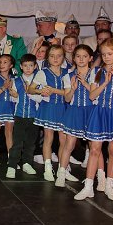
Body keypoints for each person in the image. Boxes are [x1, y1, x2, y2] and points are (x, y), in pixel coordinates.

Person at [75, 39, 113, 201]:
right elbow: (92, 95)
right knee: (94, 149)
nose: (106, 57)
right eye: (103, 54)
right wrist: (105, 83)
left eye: (110, 54)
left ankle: (109, 185)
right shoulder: (96, 71)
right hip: (100, 112)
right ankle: (88, 186)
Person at [57, 45, 96, 187]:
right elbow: (67, 99)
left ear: (90, 58)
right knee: (69, 144)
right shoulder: (68, 76)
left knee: (94, 146)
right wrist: (73, 89)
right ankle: (61, 173)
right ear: (73, 58)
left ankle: (99, 178)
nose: (81, 59)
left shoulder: (95, 74)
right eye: (78, 56)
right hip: (74, 111)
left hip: (91, 111)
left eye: (84, 56)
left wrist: (85, 83)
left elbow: (95, 94)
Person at [34, 44, 69, 181]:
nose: (55, 58)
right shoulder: (43, 72)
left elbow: (68, 93)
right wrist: (41, 90)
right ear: (47, 57)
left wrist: (54, 90)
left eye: (59, 56)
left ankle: (62, 168)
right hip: (49, 107)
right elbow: (31, 88)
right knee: (48, 138)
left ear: (63, 57)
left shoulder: (68, 72)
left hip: (64, 108)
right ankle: (48, 169)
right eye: (52, 56)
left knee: (64, 140)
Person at [7, 53, 42, 179]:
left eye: (30, 65)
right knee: (17, 142)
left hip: (34, 116)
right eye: (25, 65)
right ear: (21, 66)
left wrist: (30, 93)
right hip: (19, 116)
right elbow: (12, 99)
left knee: (30, 143)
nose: (28, 68)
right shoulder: (16, 81)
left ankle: (27, 163)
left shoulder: (38, 82)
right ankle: (12, 165)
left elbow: (40, 99)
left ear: (35, 66)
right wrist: (15, 96)